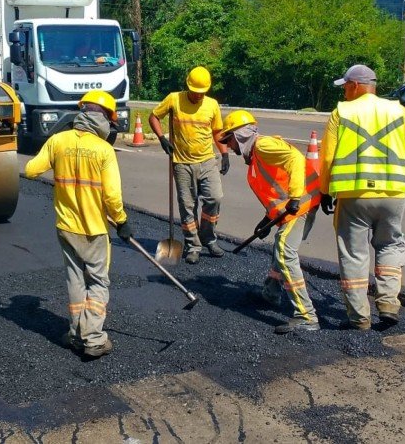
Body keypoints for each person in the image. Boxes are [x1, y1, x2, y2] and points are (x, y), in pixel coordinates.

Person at [319, 64, 405, 330]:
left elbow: (327, 157)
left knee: (354, 253)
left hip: (354, 195)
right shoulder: (398, 111)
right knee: (390, 245)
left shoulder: (341, 112)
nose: (345, 92)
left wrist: (325, 190)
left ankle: (359, 317)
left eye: (346, 86)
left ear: (356, 86)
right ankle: (388, 304)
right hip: (393, 194)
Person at [25, 90, 132, 358]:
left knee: (75, 278)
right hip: (94, 230)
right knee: (97, 281)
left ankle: (75, 333)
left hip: (66, 226)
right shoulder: (104, 150)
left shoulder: (58, 141)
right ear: (105, 119)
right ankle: (93, 339)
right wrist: (121, 221)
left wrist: (57, 144)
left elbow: (30, 170)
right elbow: (112, 195)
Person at [218, 110, 322, 334]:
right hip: (297, 205)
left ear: (239, 136)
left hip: (301, 203)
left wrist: (295, 196)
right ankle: (271, 293)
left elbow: (295, 159)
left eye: (229, 141)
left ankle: (306, 316)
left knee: (285, 250)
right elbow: (277, 188)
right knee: (279, 245)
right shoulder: (257, 154)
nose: (230, 147)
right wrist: (267, 219)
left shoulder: (264, 146)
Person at [149, 66, 229, 264]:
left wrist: (225, 153)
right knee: (187, 206)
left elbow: (217, 131)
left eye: (202, 92)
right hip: (182, 162)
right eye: (195, 92)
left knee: (215, 198)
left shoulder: (212, 105)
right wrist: (161, 138)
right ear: (188, 86)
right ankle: (193, 245)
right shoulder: (174, 99)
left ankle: (208, 238)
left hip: (207, 161)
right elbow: (154, 116)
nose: (199, 96)